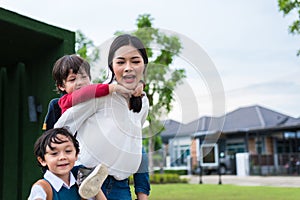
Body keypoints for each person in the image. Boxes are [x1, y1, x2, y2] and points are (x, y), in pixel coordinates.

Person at [54, 34, 150, 200]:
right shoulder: (99, 95)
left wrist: (142, 192)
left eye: (135, 61)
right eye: (121, 62)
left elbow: (134, 143)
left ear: (144, 65)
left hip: (121, 187)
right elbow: (61, 130)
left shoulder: (144, 102)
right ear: (111, 66)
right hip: (87, 182)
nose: (128, 67)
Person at [28, 127, 107, 200]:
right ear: (42, 160)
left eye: (68, 151)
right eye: (54, 153)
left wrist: (95, 186)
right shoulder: (42, 188)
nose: (62, 157)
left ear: (76, 155)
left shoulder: (81, 186)